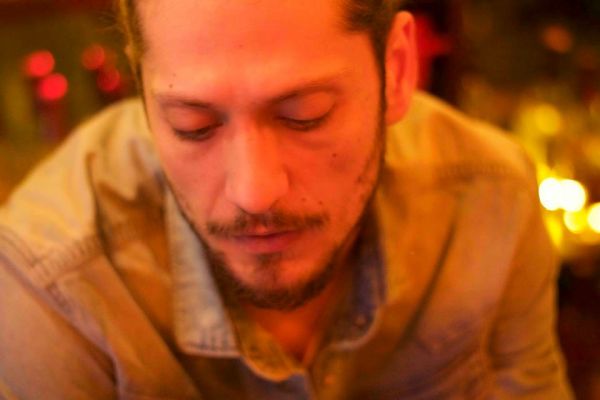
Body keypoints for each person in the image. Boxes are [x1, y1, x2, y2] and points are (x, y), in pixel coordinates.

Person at [0, 0, 574, 398]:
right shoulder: (50, 284)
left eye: (305, 116)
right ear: (142, 89)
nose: (254, 193)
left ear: (397, 70)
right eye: (194, 126)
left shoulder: (488, 199)